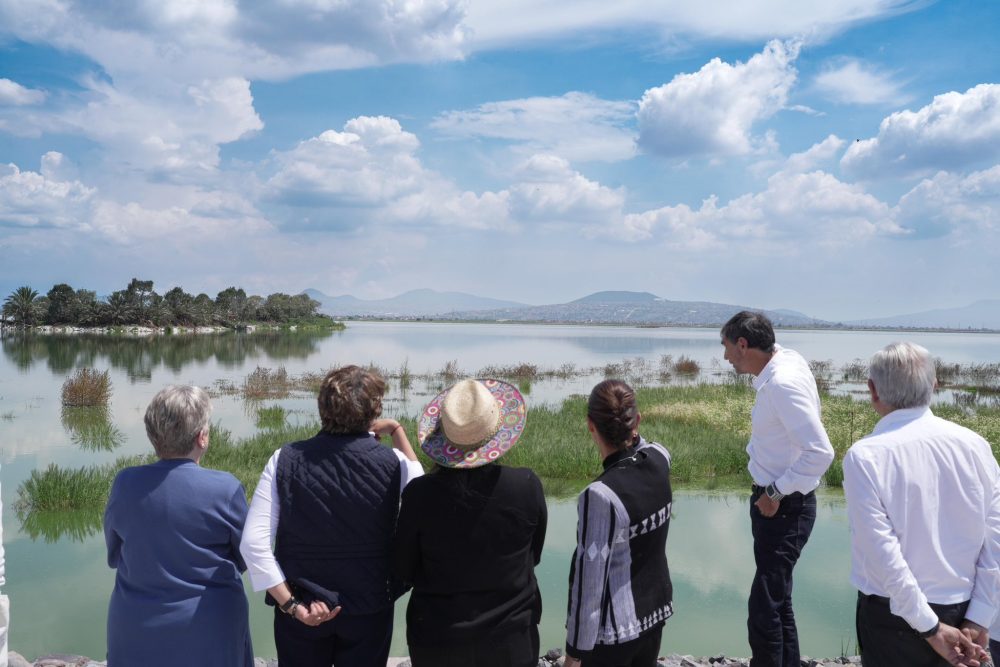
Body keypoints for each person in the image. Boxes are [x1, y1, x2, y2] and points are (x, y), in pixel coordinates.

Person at [240, 364, 423, 667]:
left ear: (322, 407)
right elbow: (421, 490)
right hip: (369, 606)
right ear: (373, 411)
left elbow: (253, 546)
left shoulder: (284, 459)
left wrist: (291, 605)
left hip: (302, 606)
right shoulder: (395, 462)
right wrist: (397, 431)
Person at [843, 342, 999, 667]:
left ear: (872, 390)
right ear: (934, 385)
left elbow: (883, 555)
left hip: (894, 616)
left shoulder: (866, 455)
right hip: (964, 609)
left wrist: (929, 627)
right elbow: (995, 538)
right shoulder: (975, 446)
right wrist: (980, 616)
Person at [391, 378, 547, 667]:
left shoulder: (419, 495)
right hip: (512, 639)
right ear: (497, 434)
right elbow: (533, 556)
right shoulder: (526, 485)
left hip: (438, 640)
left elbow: (403, 569)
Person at [104, 385, 252, 666]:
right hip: (210, 630)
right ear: (202, 437)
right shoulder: (226, 488)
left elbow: (114, 553)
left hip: (136, 628)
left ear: (153, 435)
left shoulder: (125, 484)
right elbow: (248, 558)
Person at [720, 310, 834, 667]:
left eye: (726, 348)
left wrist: (775, 493)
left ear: (743, 344)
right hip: (780, 503)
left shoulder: (782, 382)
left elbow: (821, 452)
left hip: (784, 506)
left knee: (764, 606)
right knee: (778, 598)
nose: (725, 358)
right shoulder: (786, 361)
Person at [564, 379, 674, 667]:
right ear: (636, 419)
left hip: (615, 635)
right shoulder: (661, 458)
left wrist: (574, 653)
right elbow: (643, 445)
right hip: (655, 615)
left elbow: (589, 584)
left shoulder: (600, 495)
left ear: (590, 425)